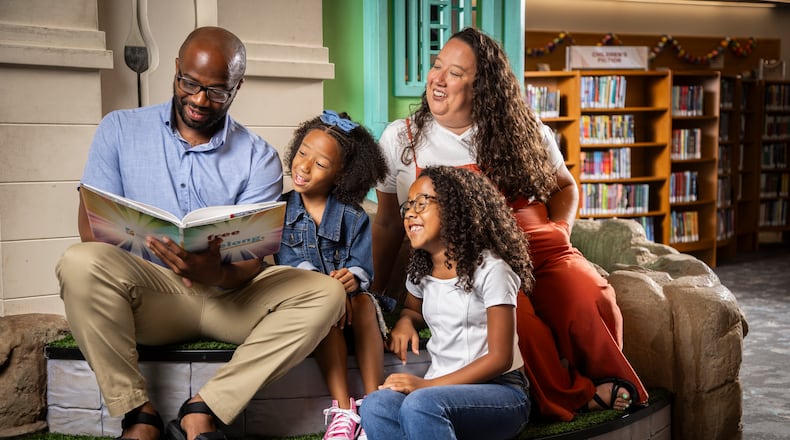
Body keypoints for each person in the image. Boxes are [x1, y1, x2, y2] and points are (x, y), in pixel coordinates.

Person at [55, 26, 345, 440]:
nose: (198, 99)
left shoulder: (257, 156)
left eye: (216, 91)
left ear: (237, 87)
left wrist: (218, 272)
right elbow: (91, 227)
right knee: (77, 262)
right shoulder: (119, 129)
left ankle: (204, 409)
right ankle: (139, 415)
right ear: (175, 69)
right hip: (150, 297)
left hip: (229, 299)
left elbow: (251, 260)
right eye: (189, 83)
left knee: (326, 293)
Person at [370, 27, 647, 422]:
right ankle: (576, 397)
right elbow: (386, 225)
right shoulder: (403, 139)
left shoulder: (524, 127)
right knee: (519, 323)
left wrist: (562, 233)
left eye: (455, 73)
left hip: (541, 245)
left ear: (483, 87)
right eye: (436, 66)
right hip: (478, 259)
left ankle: (612, 379)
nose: (437, 78)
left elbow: (565, 188)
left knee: (588, 295)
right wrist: (380, 299)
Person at [360, 166, 531, 439]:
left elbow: (500, 358)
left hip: (500, 391)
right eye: (408, 206)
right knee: (375, 405)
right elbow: (412, 309)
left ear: (456, 208)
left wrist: (425, 386)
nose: (410, 213)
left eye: (421, 203)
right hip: (437, 392)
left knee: (421, 404)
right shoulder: (422, 272)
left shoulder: (492, 269)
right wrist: (405, 322)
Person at [274, 110, 389, 440]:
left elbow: (362, 267)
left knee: (366, 303)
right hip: (316, 310)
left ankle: (374, 405)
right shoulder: (280, 211)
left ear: (342, 175)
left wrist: (352, 279)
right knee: (323, 310)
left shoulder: (354, 217)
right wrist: (329, 292)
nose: (304, 167)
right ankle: (343, 410)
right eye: (302, 154)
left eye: (320, 164)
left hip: (355, 312)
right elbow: (289, 264)